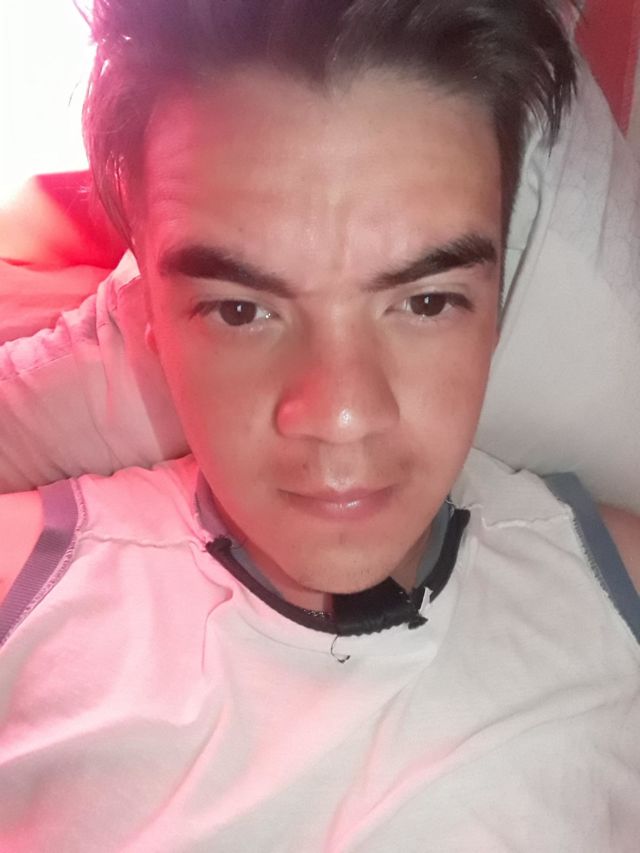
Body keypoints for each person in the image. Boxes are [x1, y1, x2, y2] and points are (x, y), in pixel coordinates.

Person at [0, 1, 638, 849]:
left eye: (427, 301)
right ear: (148, 311)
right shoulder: (27, 584)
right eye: (240, 309)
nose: (341, 417)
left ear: (497, 305)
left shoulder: (612, 589)